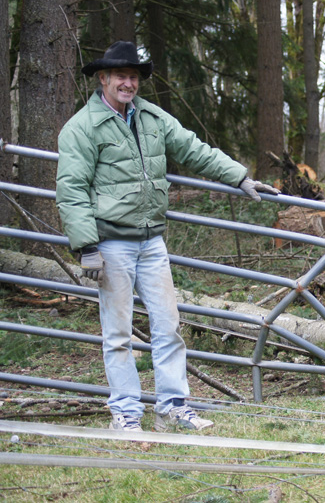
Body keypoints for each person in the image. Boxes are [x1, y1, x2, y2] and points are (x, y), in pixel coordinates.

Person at [56, 41, 279, 432]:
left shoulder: (151, 118)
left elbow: (195, 150)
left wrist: (239, 176)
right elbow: (71, 189)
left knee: (168, 326)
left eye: (134, 77)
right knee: (119, 333)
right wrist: (86, 246)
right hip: (110, 243)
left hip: (152, 240)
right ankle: (125, 414)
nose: (128, 83)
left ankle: (172, 407)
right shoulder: (82, 128)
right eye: (121, 76)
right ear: (103, 78)